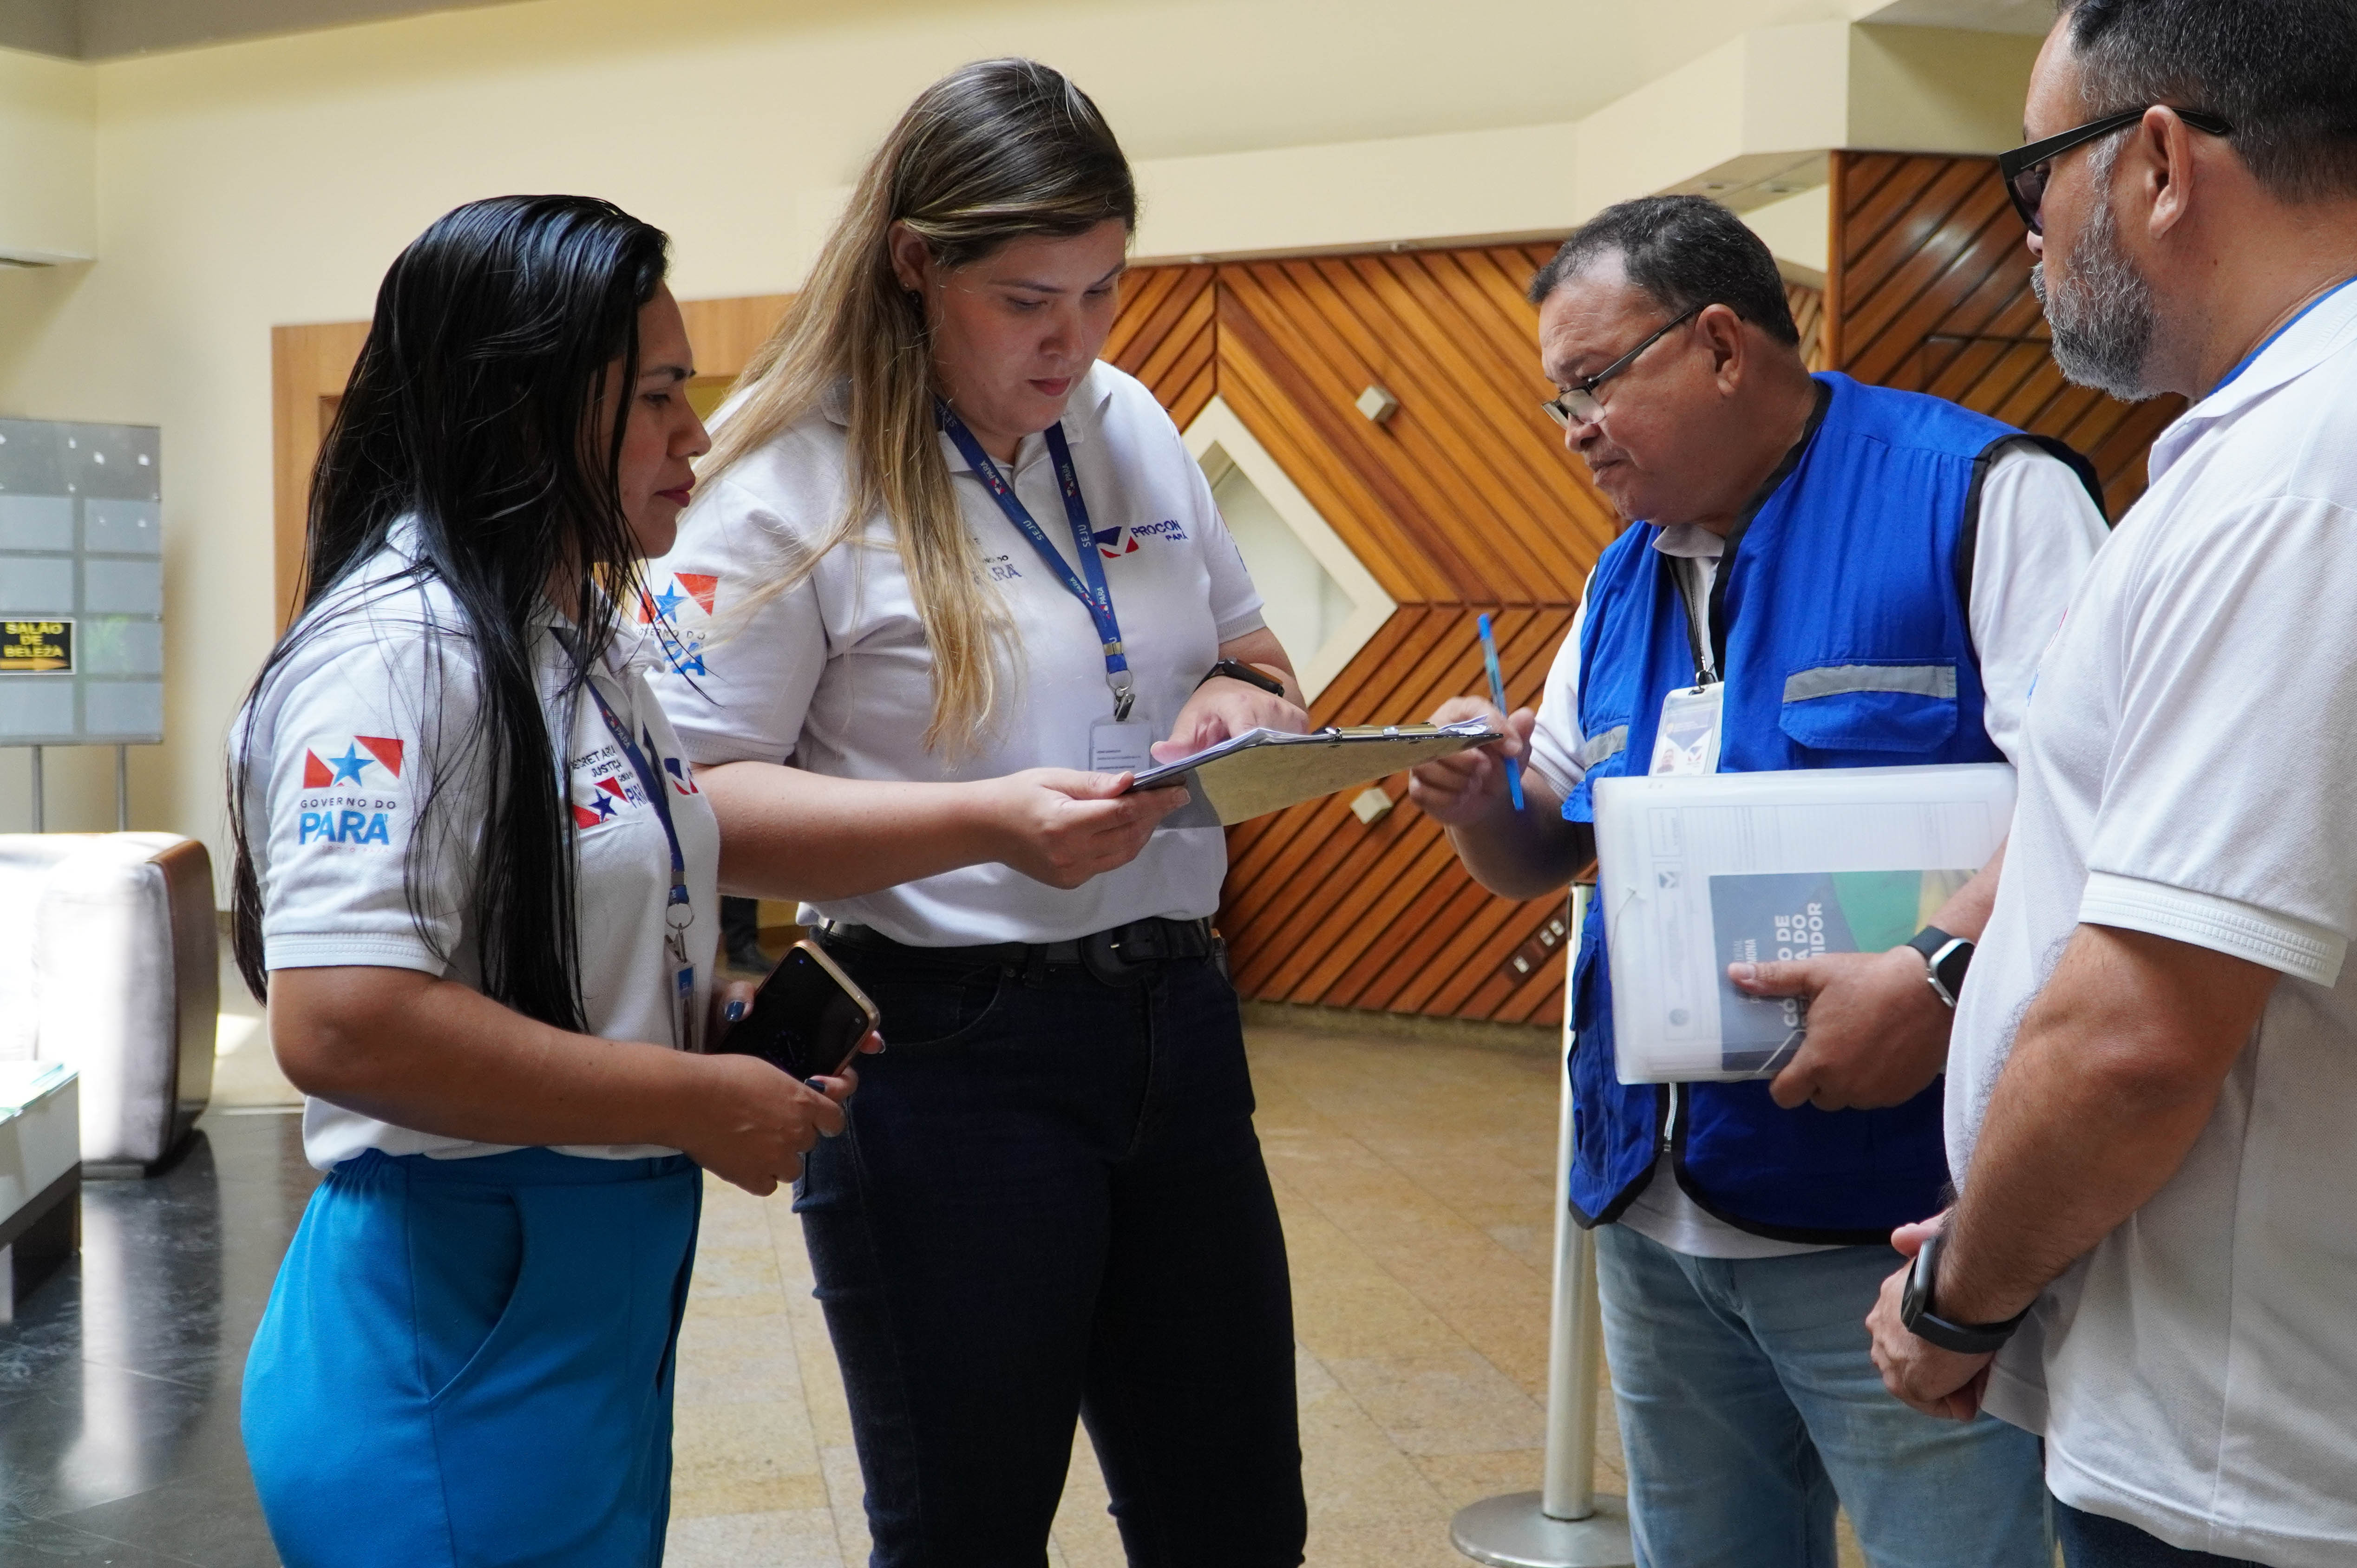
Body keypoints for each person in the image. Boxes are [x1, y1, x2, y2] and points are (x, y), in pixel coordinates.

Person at [1863, 4, 2357, 1566]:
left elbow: (2136, 1043)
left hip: (2279, 1470)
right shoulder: (2348, 428)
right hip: (2264, 1409)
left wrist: (1958, 1300)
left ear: (2156, 163)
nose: (2025, 234)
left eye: (2033, 176)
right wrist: (2012, 1219)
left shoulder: (2331, 474)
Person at [647, 59, 1310, 1567]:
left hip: (1179, 1023)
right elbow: (701, 803)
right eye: (1027, 301)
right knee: (968, 1530)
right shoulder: (783, 473)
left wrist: (1245, 701)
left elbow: (1253, 648)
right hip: (944, 1050)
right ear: (914, 264)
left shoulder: (1130, 419)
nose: (1075, 340)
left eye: (1104, 289)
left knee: (1237, 1525)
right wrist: (985, 824)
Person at [1408, 195, 2110, 1567]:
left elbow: (2104, 804)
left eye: (1594, 385)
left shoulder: (1981, 497)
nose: (1575, 431)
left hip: (1899, 1235)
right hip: (1655, 1226)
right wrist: (1477, 799)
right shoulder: (1625, 579)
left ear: (1723, 346)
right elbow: (1544, 849)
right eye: (1558, 404)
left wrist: (1933, 975)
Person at [232, 195, 865, 1568]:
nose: (698, 435)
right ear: (526, 409)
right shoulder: (399, 654)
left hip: (589, 1300)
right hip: (461, 1317)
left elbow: (566, 926)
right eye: (658, 397)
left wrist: (710, 1029)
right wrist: (691, 1099)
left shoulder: (576, 630)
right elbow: (341, 1022)